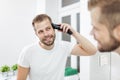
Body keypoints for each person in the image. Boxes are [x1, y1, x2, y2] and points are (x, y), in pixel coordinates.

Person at [17, 14, 97, 80]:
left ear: (54, 28)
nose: (46, 34)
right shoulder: (27, 52)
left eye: (48, 29)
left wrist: (73, 32)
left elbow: (92, 51)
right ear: (36, 34)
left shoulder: (64, 47)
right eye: (41, 31)